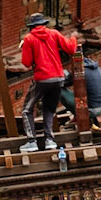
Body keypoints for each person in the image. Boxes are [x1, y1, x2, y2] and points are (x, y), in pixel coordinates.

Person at [18, 12, 79, 150]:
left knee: (26, 110)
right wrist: (74, 38)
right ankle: (49, 141)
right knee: (49, 109)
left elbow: (26, 63)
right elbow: (70, 48)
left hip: (42, 78)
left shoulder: (29, 39)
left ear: (31, 27)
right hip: (58, 78)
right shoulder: (54, 33)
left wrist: (25, 49)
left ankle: (32, 141)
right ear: (44, 24)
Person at [59, 52, 101, 123]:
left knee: (57, 89)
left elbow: (63, 83)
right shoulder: (93, 66)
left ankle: (78, 116)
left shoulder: (80, 70)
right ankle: (78, 115)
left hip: (91, 110)